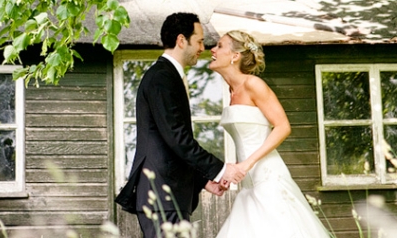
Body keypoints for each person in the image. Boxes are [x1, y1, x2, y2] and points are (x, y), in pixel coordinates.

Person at [115, 13, 246, 238]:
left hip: (169, 194)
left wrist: (204, 181)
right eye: (199, 41)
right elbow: (177, 139)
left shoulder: (169, 76)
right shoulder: (161, 78)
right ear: (181, 40)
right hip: (161, 194)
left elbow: (172, 146)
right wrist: (222, 169)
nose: (203, 48)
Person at [209, 30, 331, 238]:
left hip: (267, 178)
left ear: (235, 56)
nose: (212, 50)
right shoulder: (231, 91)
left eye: (220, 46)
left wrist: (245, 165)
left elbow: (283, 126)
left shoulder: (253, 84)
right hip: (247, 183)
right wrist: (231, 172)